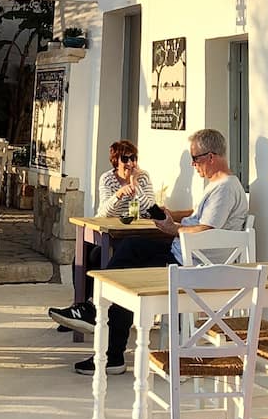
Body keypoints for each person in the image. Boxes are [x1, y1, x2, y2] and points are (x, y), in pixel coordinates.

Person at [55, 128, 249, 375]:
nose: (193, 165)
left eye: (195, 159)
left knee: (129, 264)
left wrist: (173, 228)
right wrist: (173, 217)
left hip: (192, 264)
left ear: (211, 157)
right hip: (185, 255)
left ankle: (101, 328)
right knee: (128, 252)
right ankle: (102, 330)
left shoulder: (225, 188)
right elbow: (200, 218)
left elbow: (205, 231)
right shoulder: (219, 185)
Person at [47, 140, 157, 331]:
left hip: (131, 232)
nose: (130, 163)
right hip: (106, 230)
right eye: (125, 159)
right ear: (116, 161)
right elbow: (104, 212)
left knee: (100, 256)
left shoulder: (143, 177)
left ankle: (90, 311)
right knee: (83, 256)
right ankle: (80, 308)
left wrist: (135, 186)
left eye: (133, 158)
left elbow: (150, 207)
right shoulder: (107, 179)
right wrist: (119, 194)